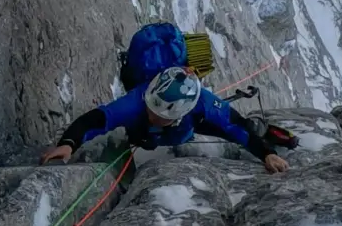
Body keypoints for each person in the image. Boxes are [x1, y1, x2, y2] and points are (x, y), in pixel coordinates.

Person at [39, 66, 290, 173]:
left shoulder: (204, 105)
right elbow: (96, 119)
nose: (152, 115)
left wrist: (266, 153)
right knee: (144, 135)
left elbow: (237, 127)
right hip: (152, 131)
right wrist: (69, 143)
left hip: (190, 124)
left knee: (242, 130)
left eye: (159, 116)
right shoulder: (137, 102)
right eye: (151, 109)